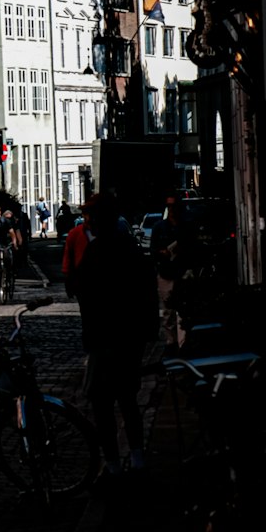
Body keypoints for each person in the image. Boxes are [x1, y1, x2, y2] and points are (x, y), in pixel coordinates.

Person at [69, 193, 158, 478]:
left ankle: (113, 465)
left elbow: (84, 292)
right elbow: (147, 290)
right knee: (128, 400)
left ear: (100, 220)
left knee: (102, 403)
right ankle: (138, 457)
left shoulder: (97, 252)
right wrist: (147, 332)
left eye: (90, 217)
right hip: (130, 337)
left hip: (104, 338)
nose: (87, 222)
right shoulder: (130, 248)